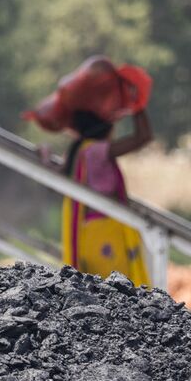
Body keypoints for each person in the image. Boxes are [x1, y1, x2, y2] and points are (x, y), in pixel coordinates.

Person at [61, 108, 153, 286]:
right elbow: (143, 137)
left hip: (88, 235)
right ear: (106, 126)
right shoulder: (96, 151)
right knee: (120, 293)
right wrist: (138, 106)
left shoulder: (79, 150)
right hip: (107, 234)